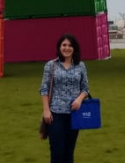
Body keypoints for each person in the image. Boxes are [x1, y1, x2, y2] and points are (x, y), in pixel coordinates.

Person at [39, 34, 90, 163]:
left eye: (70, 45)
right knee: (57, 152)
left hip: (74, 115)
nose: (67, 48)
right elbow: (44, 88)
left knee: (69, 152)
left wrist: (79, 99)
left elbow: (85, 88)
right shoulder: (51, 65)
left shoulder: (80, 66)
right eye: (64, 45)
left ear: (74, 48)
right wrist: (46, 110)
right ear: (59, 47)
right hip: (55, 114)